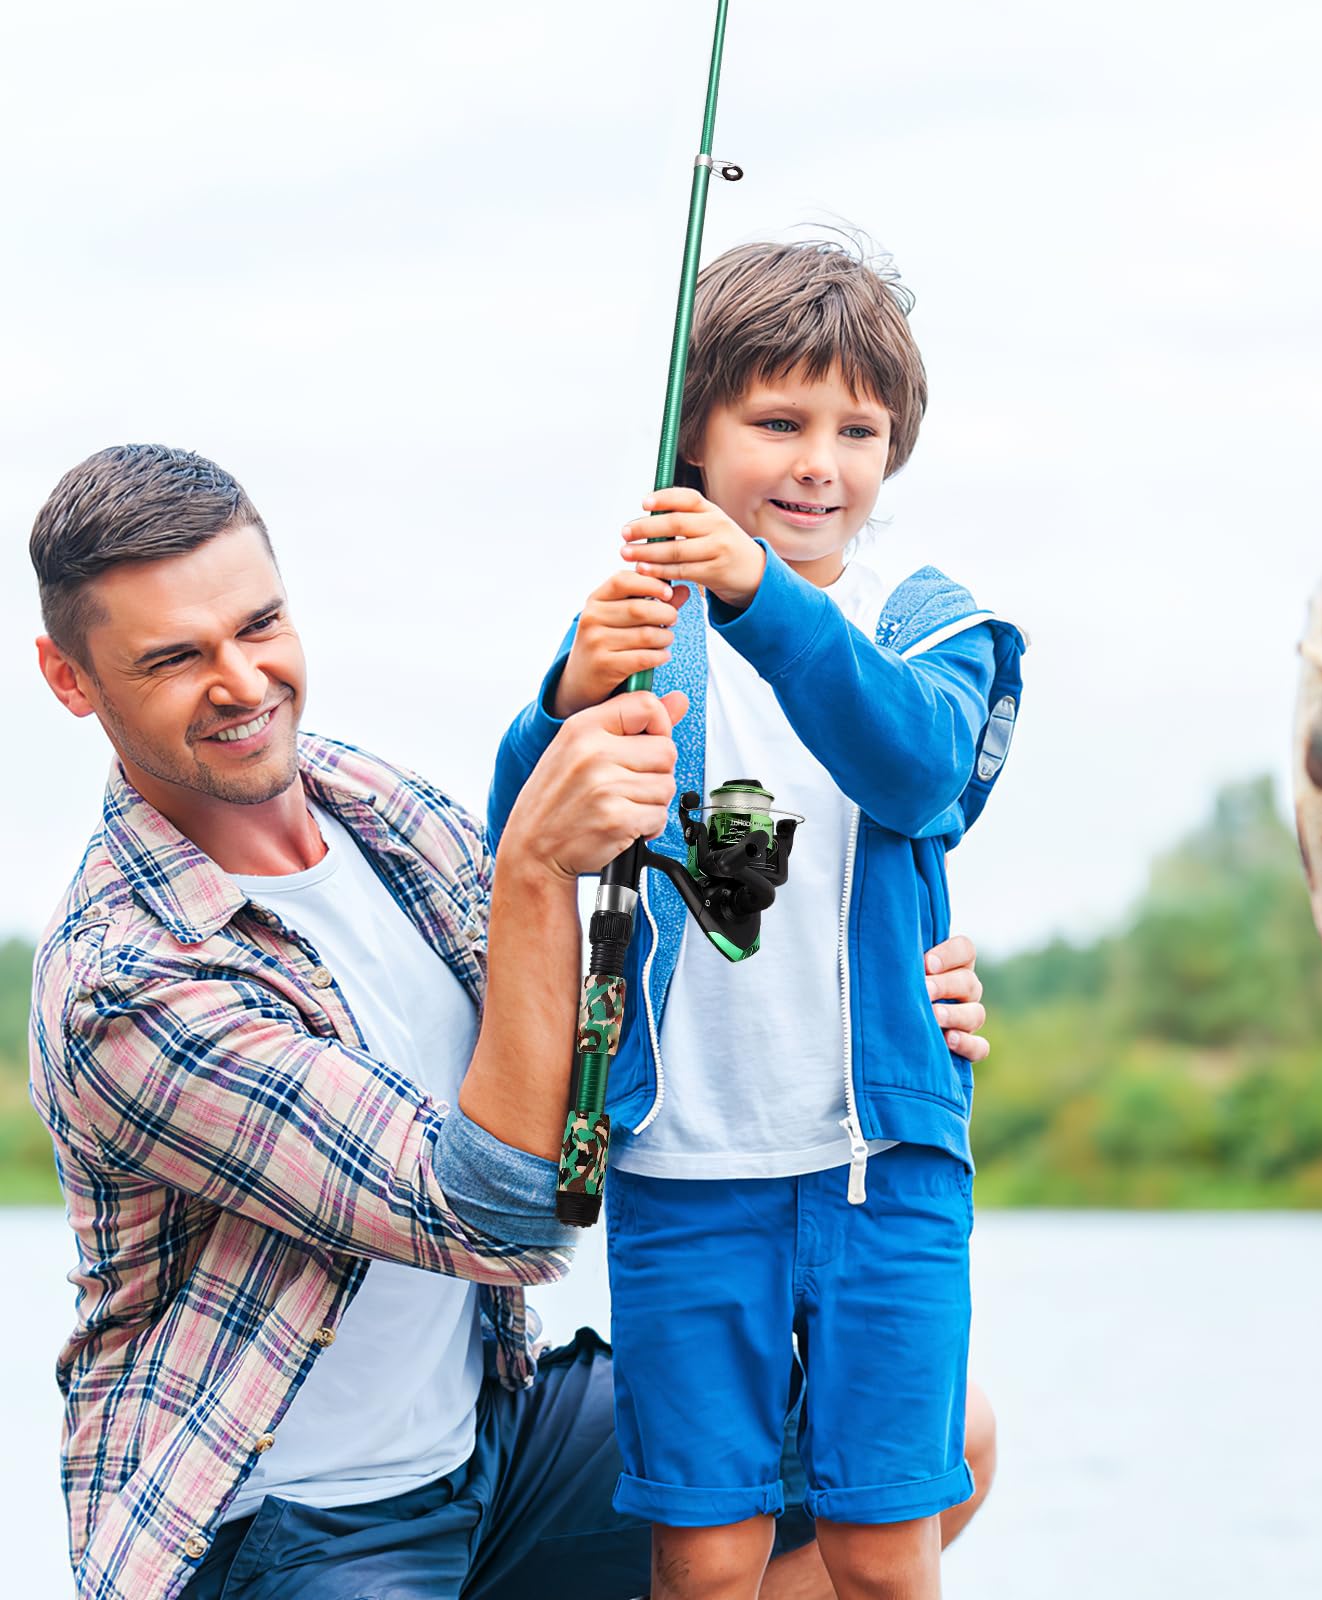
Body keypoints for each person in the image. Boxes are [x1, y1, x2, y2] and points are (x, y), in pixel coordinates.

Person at [25, 443, 995, 1600]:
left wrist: (866, 995)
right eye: (176, 658)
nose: (242, 681)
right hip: (292, 1532)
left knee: (942, 1450)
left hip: (498, 1453)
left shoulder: (374, 804)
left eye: (259, 625)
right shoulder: (122, 981)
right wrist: (535, 860)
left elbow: (592, 1035)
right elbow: (494, 1213)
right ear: (71, 679)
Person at [489, 239, 1025, 1599]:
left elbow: (914, 769)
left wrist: (754, 596)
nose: (817, 462)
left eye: (857, 430)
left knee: (883, 1547)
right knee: (710, 1557)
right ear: (699, 439)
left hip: (882, 1167)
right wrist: (568, 690)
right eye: (777, 422)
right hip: (682, 1168)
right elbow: (522, 835)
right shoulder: (645, 631)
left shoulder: (927, 625)